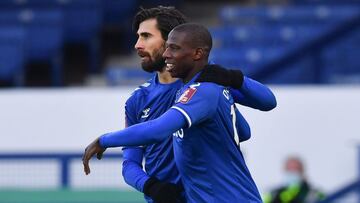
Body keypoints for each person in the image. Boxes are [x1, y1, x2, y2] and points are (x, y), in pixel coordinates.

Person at [83, 23, 272, 202]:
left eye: (173, 48)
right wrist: (152, 186)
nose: (166, 54)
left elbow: (157, 130)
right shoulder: (186, 91)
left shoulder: (202, 91)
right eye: (167, 47)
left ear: (197, 53)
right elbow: (243, 132)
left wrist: (104, 140)